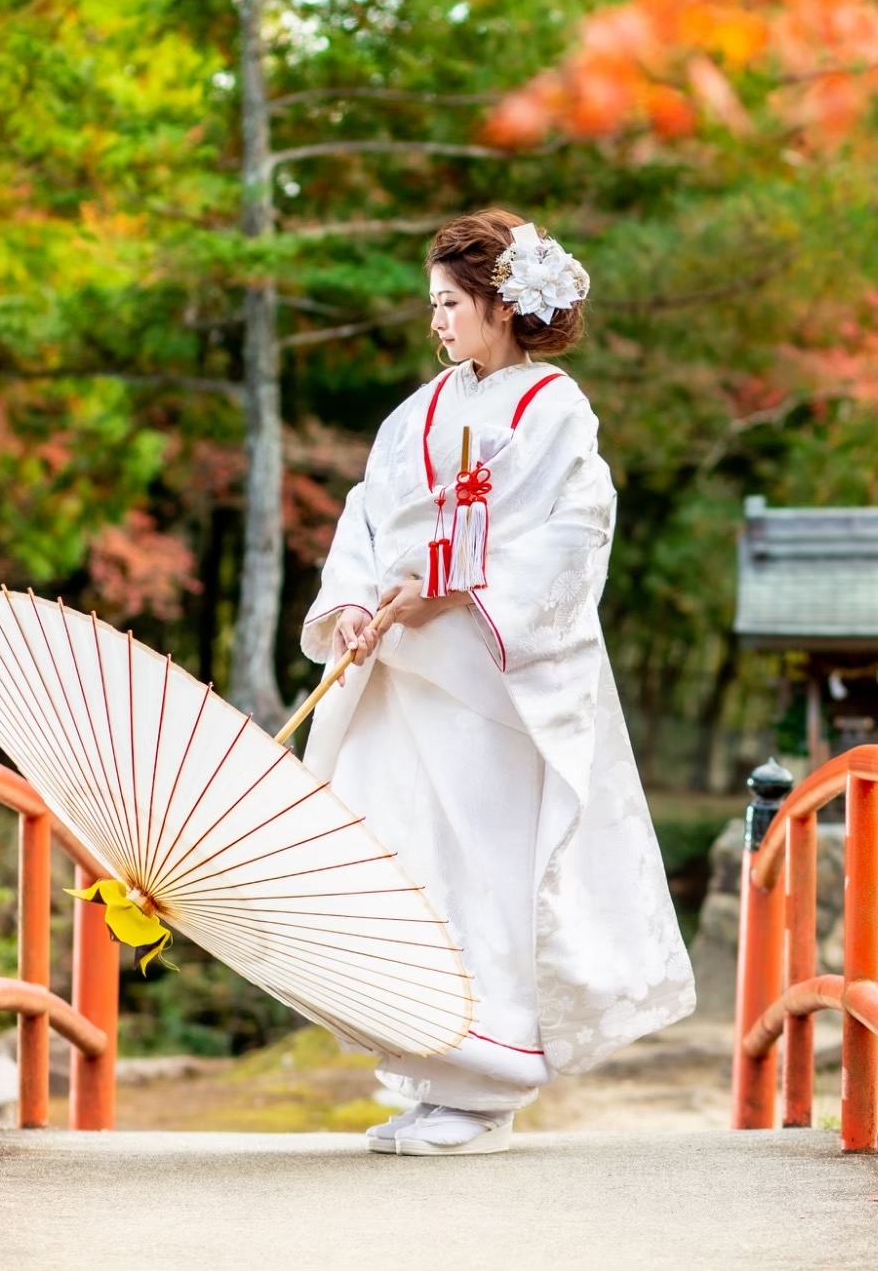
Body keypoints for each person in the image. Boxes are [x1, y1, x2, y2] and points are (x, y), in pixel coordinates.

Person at [297, 209, 694, 1156]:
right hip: (400, 673)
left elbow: (573, 530)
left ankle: (488, 1086)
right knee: (403, 861)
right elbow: (366, 516)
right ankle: (431, 1073)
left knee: (483, 870)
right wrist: (353, 600)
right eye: (432, 303)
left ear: (500, 305)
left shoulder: (554, 406)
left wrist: (453, 590)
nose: (436, 320)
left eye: (448, 302)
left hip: (488, 679)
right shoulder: (418, 412)